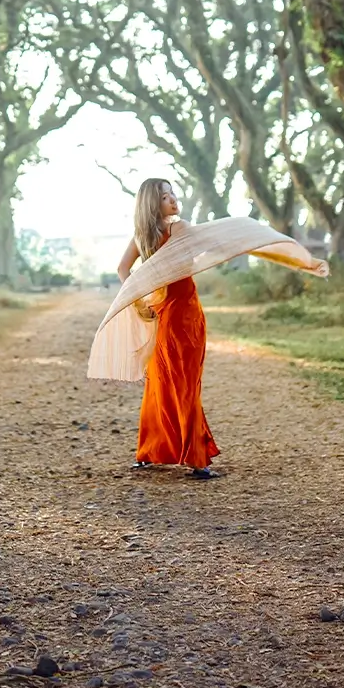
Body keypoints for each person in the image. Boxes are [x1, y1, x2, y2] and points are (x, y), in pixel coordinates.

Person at [117, 178, 220, 479]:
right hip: (182, 315)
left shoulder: (144, 236)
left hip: (164, 314)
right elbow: (205, 250)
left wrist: (138, 299)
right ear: (152, 203)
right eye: (165, 196)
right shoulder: (178, 229)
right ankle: (196, 460)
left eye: (173, 194)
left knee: (160, 382)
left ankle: (149, 452)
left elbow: (123, 269)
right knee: (185, 383)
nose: (173, 200)